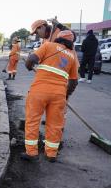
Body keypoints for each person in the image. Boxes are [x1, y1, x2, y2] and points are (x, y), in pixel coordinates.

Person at [22, 30, 79, 162]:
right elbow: (74, 82)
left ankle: (31, 153)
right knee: (54, 124)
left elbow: (31, 59)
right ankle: (51, 154)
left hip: (39, 91)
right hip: (59, 95)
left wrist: (29, 66)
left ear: (58, 38)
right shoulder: (72, 55)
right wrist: (65, 95)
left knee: (32, 121)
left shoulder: (48, 45)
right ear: (71, 42)